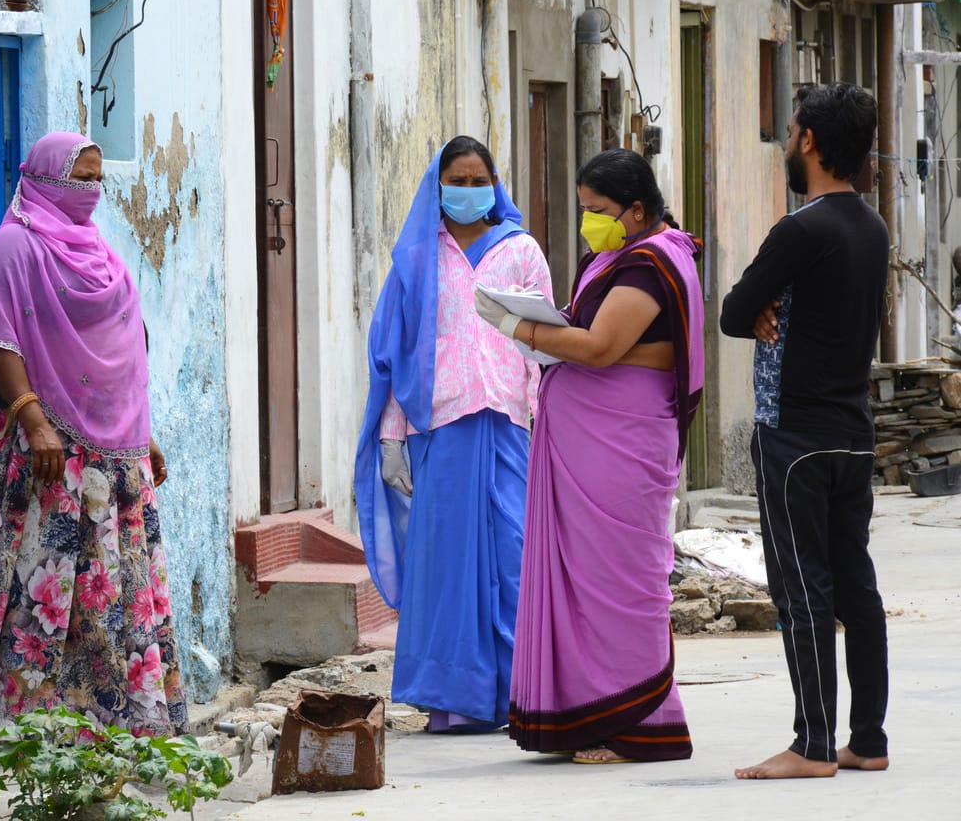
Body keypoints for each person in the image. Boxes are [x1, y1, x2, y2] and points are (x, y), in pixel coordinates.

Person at [476, 147, 704, 763]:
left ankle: (641, 722)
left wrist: (517, 327)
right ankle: (585, 714)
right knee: (581, 579)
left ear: (634, 210)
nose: (587, 222)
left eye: (597, 210)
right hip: (586, 441)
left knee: (620, 581)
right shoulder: (614, 257)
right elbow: (590, 337)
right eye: (583, 210)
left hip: (621, 445)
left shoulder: (651, 265)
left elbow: (602, 347)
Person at [0, 131, 189, 742]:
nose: (88, 191)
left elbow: (122, 352)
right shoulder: (12, 248)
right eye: (76, 178)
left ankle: (116, 732)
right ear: (40, 178)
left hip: (115, 465)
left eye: (96, 179)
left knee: (112, 594)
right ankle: (37, 739)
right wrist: (34, 418)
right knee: (48, 591)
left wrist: (143, 435)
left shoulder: (101, 253)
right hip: (50, 458)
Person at [354, 135, 553, 732]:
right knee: (445, 567)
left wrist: (551, 421)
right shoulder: (416, 258)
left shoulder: (520, 252)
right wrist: (391, 438)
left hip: (511, 423)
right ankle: (456, 701)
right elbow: (394, 354)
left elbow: (546, 344)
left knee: (513, 556)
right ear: (437, 187)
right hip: (437, 426)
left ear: (496, 184)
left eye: (478, 181)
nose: (468, 191)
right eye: (457, 181)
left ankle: (527, 693)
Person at [721, 83, 889, 780]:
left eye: (790, 133)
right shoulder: (871, 227)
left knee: (802, 592)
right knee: (855, 586)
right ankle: (867, 740)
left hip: (793, 434)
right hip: (852, 428)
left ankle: (812, 745)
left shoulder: (801, 227)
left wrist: (761, 312)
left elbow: (732, 310)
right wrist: (769, 311)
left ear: (810, 142)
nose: (786, 144)